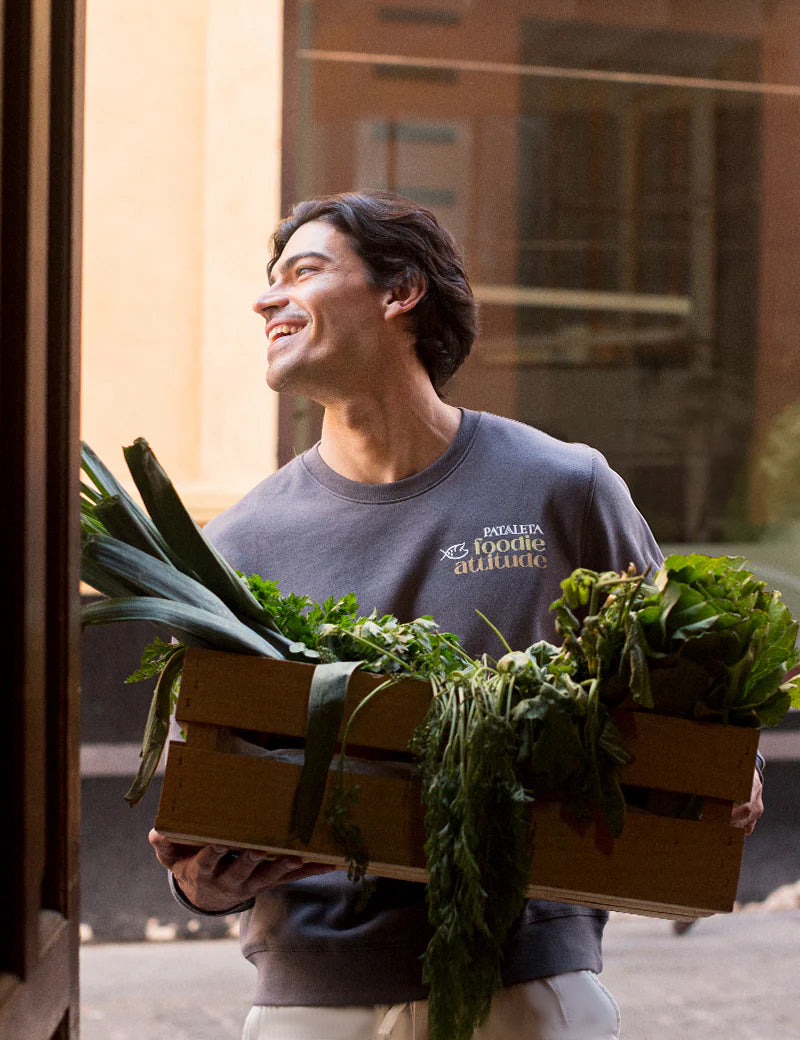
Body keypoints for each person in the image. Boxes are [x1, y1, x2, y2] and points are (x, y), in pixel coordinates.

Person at [149, 190, 764, 1040]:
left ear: (400, 295)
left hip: (524, 976)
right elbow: (207, 789)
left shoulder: (562, 486)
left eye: (305, 271)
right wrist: (198, 883)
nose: (266, 300)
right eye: (268, 280)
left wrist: (721, 783)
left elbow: (687, 700)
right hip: (315, 991)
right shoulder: (238, 545)